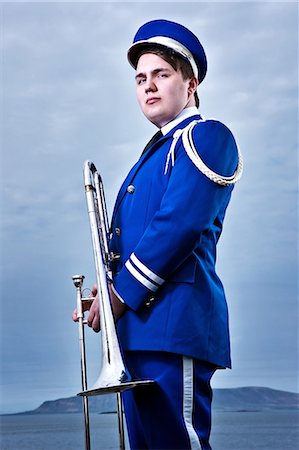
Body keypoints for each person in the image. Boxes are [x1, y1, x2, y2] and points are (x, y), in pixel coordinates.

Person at [73, 19, 242, 450]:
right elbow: (134, 243)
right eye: (140, 78)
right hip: (139, 330)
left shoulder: (206, 137)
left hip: (174, 323)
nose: (148, 86)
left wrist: (121, 294)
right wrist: (104, 299)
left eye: (162, 74)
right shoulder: (153, 154)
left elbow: (180, 226)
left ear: (191, 82)